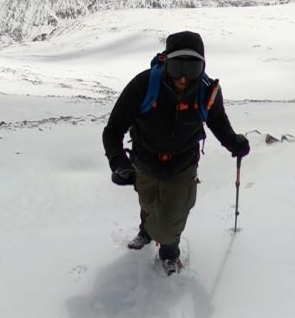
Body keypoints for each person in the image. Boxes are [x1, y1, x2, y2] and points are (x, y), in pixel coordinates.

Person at [103, 30, 250, 275]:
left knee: (171, 218)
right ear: (165, 62)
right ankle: (146, 231)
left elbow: (218, 122)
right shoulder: (143, 85)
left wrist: (233, 142)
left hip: (183, 164)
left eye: (192, 69)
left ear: (203, 68)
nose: (183, 77)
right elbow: (113, 130)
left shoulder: (207, 91)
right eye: (177, 67)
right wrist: (119, 162)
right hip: (144, 161)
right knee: (148, 203)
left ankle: (169, 252)